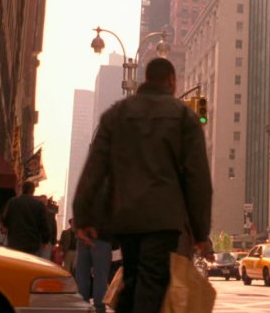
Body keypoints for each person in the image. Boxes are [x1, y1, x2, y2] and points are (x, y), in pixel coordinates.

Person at [73, 58, 213, 313]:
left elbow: (95, 168)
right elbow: (198, 179)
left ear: (146, 79)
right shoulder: (184, 117)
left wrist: (82, 216)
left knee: (132, 279)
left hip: (125, 217)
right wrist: (201, 232)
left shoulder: (116, 114)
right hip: (163, 219)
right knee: (151, 282)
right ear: (172, 81)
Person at [2, 181, 51, 255]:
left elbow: (4, 220)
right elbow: (44, 225)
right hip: (32, 244)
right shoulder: (39, 205)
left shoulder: (12, 202)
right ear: (33, 190)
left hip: (14, 242)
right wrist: (45, 241)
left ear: (22, 189)